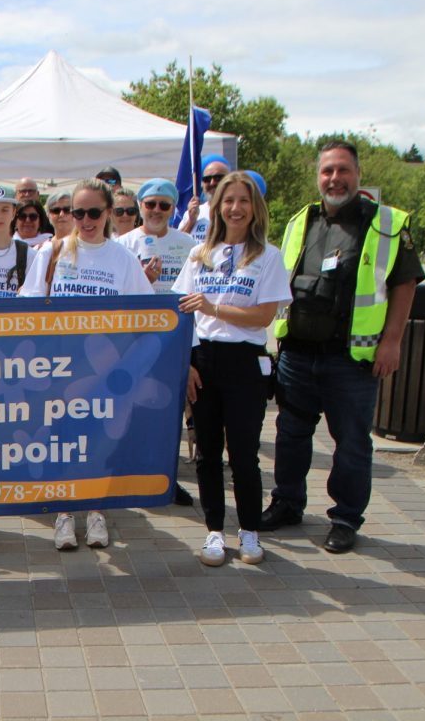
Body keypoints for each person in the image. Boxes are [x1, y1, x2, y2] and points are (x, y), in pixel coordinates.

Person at [260, 140, 425, 554]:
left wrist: (392, 342)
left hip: (350, 359)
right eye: (327, 171)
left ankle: (346, 518)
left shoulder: (384, 223)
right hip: (297, 353)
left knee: (351, 443)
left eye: (342, 170)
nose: (334, 179)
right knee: (291, 434)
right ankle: (287, 503)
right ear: (318, 177)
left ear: (358, 174)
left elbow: (405, 284)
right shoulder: (303, 220)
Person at [19, 177, 154, 550]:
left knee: (98, 442)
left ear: (109, 213)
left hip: (105, 369)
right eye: (77, 212)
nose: (85, 219)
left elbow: (145, 316)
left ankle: (96, 509)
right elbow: (26, 303)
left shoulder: (123, 259)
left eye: (94, 212)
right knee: (62, 441)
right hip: (57, 369)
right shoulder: (52, 252)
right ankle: (64, 512)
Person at [173, 172, 291, 567]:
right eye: (228, 200)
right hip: (204, 359)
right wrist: (188, 363)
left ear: (254, 207)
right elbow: (180, 313)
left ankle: (250, 531)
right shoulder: (197, 253)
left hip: (245, 362)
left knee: (243, 454)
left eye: (243, 200)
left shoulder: (267, 256)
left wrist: (214, 307)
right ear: (217, 206)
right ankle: (213, 531)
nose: (235, 208)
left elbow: (262, 316)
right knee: (206, 453)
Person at [118, 178, 197, 508]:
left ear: (173, 209)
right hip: (133, 341)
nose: (157, 211)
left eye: (165, 205)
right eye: (150, 204)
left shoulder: (190, 245)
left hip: (173, 340)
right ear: (140, 206)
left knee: (169, 412)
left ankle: (166, 476)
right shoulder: (122, 244)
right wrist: (143, 283)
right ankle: (127, 475)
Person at [178, 156, 231, 242]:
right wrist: (191, 222)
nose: (212, 182)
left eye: (218, 178)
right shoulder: (191, 213)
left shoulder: (236, 213)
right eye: (207, 179)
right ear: (202, 184)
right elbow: (176, 244)